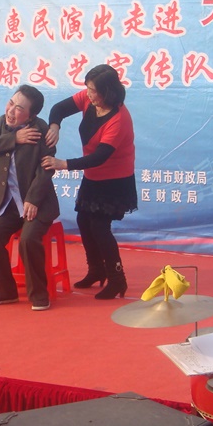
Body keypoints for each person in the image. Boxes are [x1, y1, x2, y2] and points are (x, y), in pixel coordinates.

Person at [42, 64, 137, 300]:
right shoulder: (88, 98)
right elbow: (59, 108)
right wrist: (55, 126)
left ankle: (117, 279)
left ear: (108, 92)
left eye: (93, 90)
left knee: (100, 227)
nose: (89, 94)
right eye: (88, 88)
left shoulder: (119, 119)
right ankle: (96, 270)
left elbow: (99, 157)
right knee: (84, 221)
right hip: (93, 176)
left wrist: (63, 164)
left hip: (115, 180)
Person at [0, 85, 60, 311]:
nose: (11, 111)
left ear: (31, 116)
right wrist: (14, 138)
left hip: (36, 204)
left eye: (19, 108)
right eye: (11, 103)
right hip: (8, 205)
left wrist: (33, 199)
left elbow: (46, 169)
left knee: (28, 240)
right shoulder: (1, 124)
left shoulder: (42, 131)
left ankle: (39, 294)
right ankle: (4, 291)